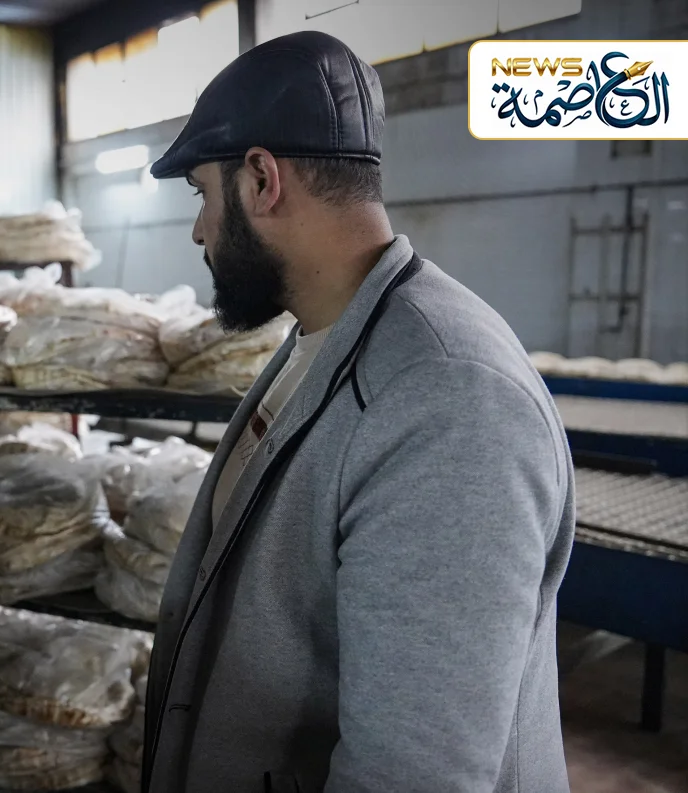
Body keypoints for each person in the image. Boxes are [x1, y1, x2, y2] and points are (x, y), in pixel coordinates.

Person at [141, 31, 573, 793]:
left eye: (202, 194)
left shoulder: (447, 398)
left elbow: (414, 772)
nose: (200, 230)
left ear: (262, 179)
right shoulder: (325, 338)